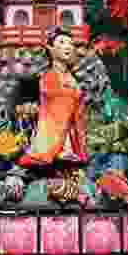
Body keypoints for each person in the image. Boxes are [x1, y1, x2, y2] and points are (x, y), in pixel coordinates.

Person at [17, 27, 88, 168]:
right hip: (47, 142)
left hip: (71, 144)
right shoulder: (41, 79)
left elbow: (79, 115)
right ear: (50, 48)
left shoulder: (75, 81)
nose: (67, 47)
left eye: (70, 43)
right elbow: (25, 109)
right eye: (61, 42)